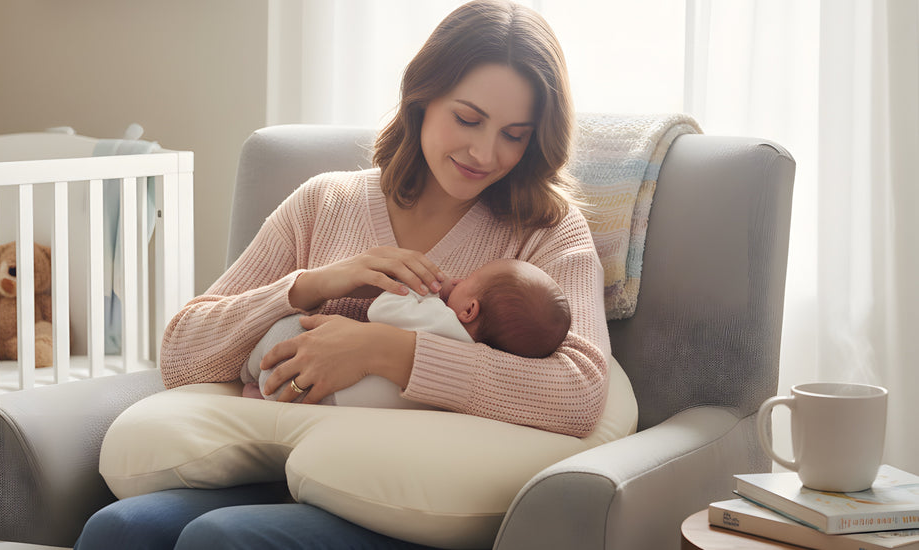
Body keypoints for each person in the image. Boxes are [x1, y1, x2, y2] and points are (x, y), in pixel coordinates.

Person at [74, 1, 609, 548]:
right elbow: (183, 353)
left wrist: (385, 352)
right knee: (118, 529)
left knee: (221, 539)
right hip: (276, 462)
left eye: (514, 134)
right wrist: (308, 285)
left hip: (409, 494)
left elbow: (580, 393)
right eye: (467, 119)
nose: (485, 152)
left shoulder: (545, 230)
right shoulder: (323, 203)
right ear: (421, 100)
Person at [242, 258, 574, 408]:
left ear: (470, 311)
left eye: (466, 280)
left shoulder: (439, 318)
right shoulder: (479, 354)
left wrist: (414, 288)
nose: (455, 280)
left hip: (323, 386)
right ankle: (258, 390)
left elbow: (381, 311)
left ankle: (251, 375)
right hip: (342, 404)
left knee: (288, 329)